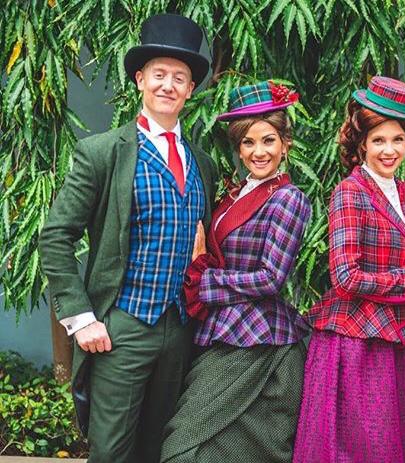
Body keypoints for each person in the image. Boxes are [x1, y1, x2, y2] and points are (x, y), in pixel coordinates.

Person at [39, 14, 217, 463]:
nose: (168, 85)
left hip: (179, 330)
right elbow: (57, 236)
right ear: (140, 79)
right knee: (112, 450)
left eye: (180, 77)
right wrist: (81, 318)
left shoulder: (203, 163)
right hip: (122, 326)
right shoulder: (102, 153)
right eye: (159, 74)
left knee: (158, 447)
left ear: (190, 89)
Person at [293, 76, 405, 463]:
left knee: (398, 445)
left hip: (399, 336)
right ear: (362, 142)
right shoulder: (350, 191)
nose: (389, 149)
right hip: (357, 341)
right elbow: (346, 277)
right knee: (362, 448)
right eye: (379, 140)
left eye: (398, 139)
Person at [160, 80, 311, 463]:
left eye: (269, 141)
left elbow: (271, 278)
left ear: (285, 144)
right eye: (248, 142)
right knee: (197, 443)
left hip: (260, 337)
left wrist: (204, 280)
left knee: (190, 446)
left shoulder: (288, 199)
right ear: (238, 147)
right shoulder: (235, 192)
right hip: (221, 329)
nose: (259, 152)